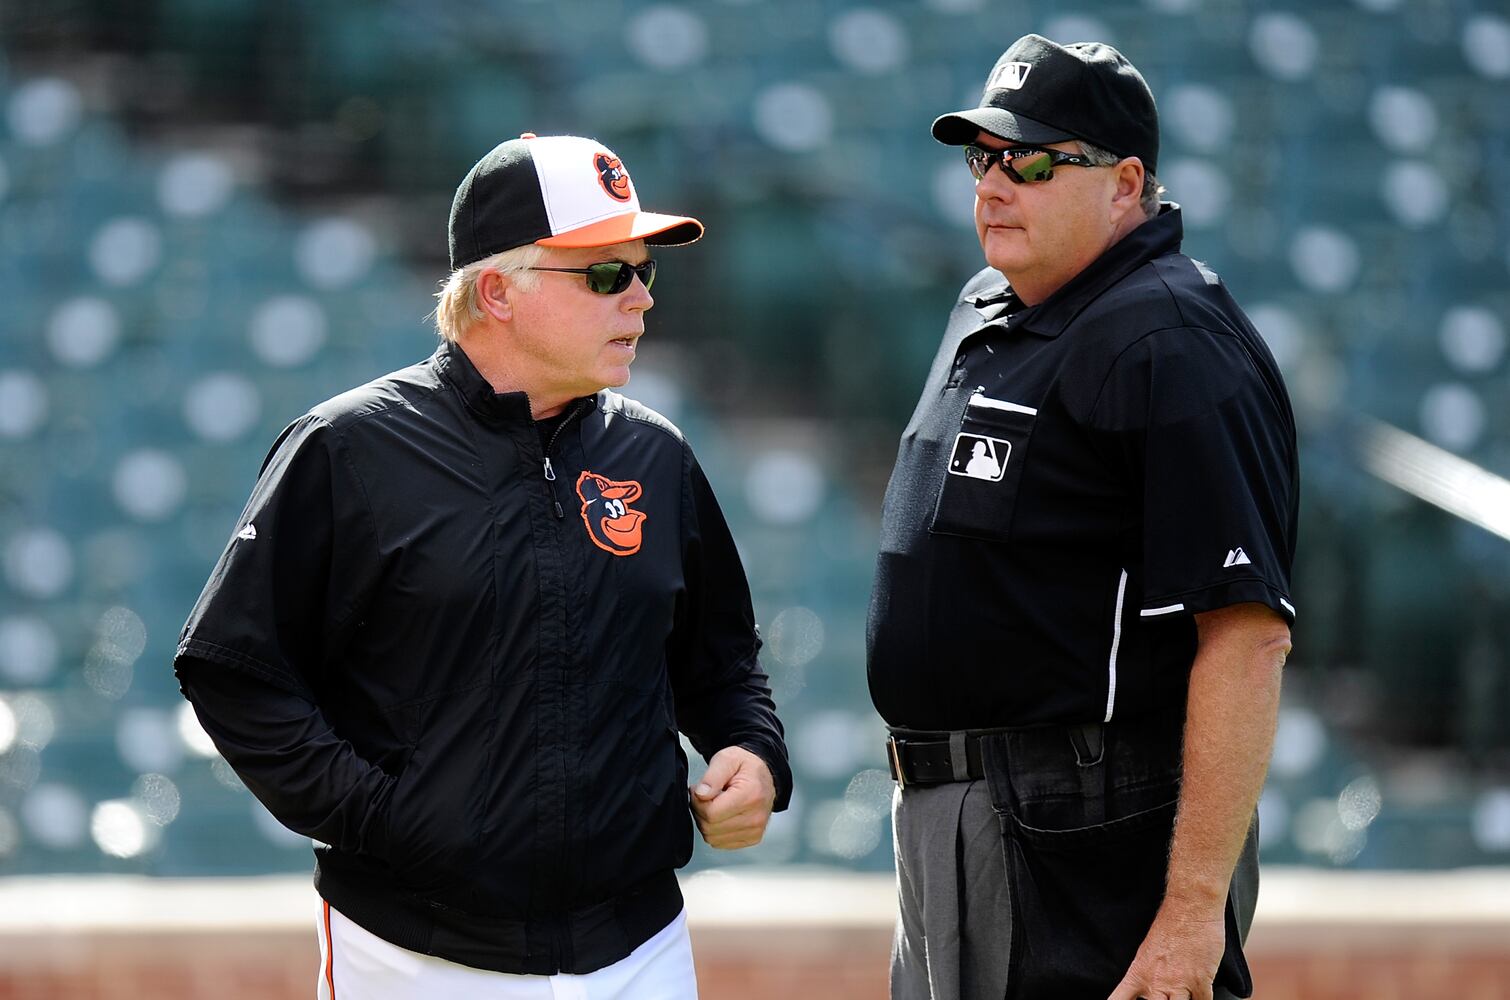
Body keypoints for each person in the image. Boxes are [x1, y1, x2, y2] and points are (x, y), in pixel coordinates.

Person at [174, 132, 791, 1000]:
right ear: (498, 291)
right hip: (415, 958)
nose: (644, 300)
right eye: (608, 274)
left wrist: (751, 752)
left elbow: (721, 663)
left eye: (645, 271)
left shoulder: (656, 455)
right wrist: (388, 820)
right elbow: (235, 675)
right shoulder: (348, 449)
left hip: (641, 949)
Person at [867, 34, 1298, 1000]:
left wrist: (1191, 914)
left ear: (1124, 182)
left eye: (1031, 160)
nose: (992, 184)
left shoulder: (1170, 338)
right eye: (982, 158)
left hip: (1085, 830)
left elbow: (1246, 639)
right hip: (958, 820)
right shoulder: (993, 302)